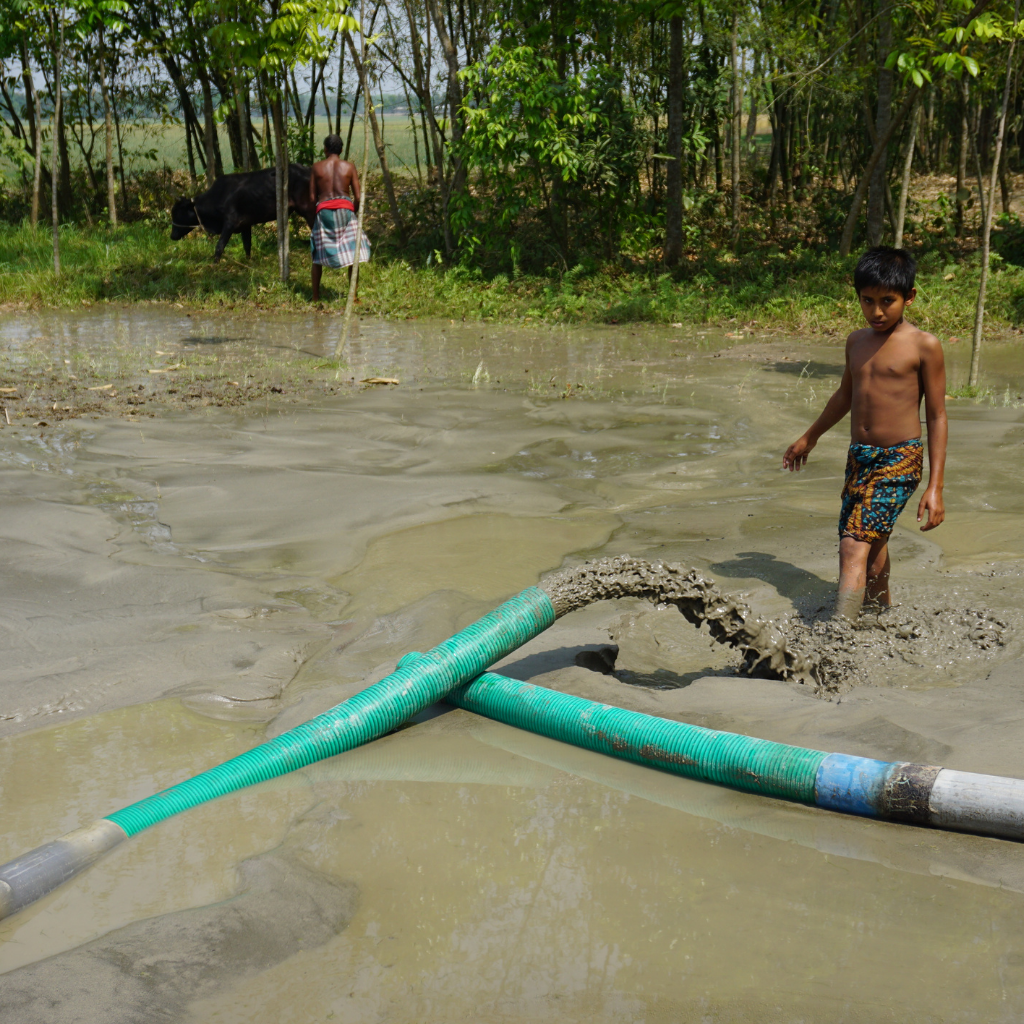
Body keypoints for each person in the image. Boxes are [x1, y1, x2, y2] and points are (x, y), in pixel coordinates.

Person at [782, 246, 947, 620]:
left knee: (852, 545)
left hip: (899, 459)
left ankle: (836, 643)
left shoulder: (924, 346)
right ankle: (879, 618)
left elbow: (937, 416)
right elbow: (845, 395)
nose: (876, 311)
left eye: (887, 301)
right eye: (867, 300)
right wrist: (811, 436)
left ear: (909, 297)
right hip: (860, 458)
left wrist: (935, 487)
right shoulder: (856, 342)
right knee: (872, 552)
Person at [309, 134, 371, 303]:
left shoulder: (317, 167)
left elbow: (312, 198)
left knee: (317, 256)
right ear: (342, 150)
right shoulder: (349, 167)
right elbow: (358, 197)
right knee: (353, 254)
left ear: (325, 149)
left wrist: (316, 215)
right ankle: (354, 296)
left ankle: (315, 297)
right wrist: (352, 213)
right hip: (346, 209)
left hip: (324, 211)